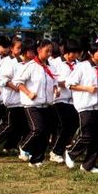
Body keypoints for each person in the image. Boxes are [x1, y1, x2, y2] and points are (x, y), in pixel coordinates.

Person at [64, 41, 98, 173]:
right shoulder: (82, 67)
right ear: (91, 53)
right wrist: (86, 88)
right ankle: (71, 153)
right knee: (87, 135)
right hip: (86, 106)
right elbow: (70, 84)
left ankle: (88, 165)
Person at [14, 39, 57, 167]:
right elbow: (18, 82)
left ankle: (36, 160)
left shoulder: (50, 67)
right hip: (32, 104)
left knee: (45, 133)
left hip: (46, 104)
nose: (49, 53)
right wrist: (28, 93)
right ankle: (24, 146)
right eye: (46, 51)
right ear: (39, 50)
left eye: (50, 51)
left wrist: (55, 89)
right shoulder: (30, 66)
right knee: (37, 129)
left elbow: (54, 81)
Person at [50, 39, 81, 163]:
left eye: (77, 53)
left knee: (74, 124)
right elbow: (53, 79)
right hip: (60, 99)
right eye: (74, 53)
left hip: (74, 100)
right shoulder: (56, 63)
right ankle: (56, 151)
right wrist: (64, 84)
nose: (75, 56)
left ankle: (61, 148)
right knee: (65, 125)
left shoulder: (78, 64)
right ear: (67, 52)